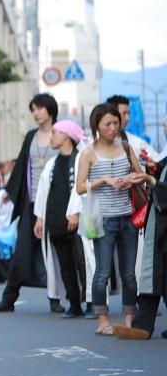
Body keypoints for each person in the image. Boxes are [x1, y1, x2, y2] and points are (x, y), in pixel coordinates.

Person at [0, 93, 62, 313]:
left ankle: (59, 299)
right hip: (32, 204)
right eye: (33, 110)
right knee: (22, 250)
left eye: (39, 108)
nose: (36, 113)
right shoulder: (31, 136)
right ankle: (8, 299)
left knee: (59, 253)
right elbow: (21, 166)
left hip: (56, 204)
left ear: (50, 109)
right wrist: (9, 192)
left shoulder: (62, 134)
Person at [77, 103, 146, 335]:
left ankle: (129, 319)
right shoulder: (88, 153)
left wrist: (129, 179)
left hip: (128, 217)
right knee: (102, 273)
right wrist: (104, 180)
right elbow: (79, 187)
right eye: (107, 124)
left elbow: (141, 175)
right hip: (102, 219)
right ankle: (103, 320)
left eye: (116, 123)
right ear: (97, 125)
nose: (113, 128)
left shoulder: (126, 147)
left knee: (129, 274)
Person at [114, 117, 167, 339]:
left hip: (162, 228)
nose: (165, 131)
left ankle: (142, 325)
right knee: (153, 275)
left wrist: (151, 180)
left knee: (155, 275)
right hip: (160, 227)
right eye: (165, 127)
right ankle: (142, 325)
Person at [33, 120, 88, 318]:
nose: (52, 136)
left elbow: (84, 189)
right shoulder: (51, 163)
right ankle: (74, 304)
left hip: (78, 222)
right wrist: (40, 219)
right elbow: (42, 193)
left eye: (55, 132)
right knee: (65, 266)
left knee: (84, 263)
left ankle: (91, 302)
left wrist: (76, 213)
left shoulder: (81, 158)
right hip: (56, 221)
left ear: (66, 135)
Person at [106, 94, 159, 168]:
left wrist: (147, 165)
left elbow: (157, 160)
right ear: (111, 115)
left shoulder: (136, 143)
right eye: (124, 113)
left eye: (128, 113)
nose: (127, 118)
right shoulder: (93, 142)